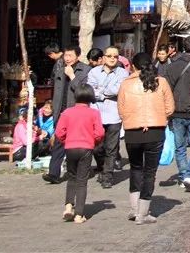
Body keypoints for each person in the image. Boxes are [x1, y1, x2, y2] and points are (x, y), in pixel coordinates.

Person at [117, 53, 174, 224]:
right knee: (150, 172)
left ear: (133, 66)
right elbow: (170, 108)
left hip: (132, 132)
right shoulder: (161, 82)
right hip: (155, 131)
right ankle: (143, 213)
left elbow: (121, 109)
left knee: (135, 168)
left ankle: (134, 209)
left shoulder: (126, 84)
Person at [55, 84, 104, 224]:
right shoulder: (94, 113)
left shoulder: (67, 112)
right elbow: (100, 133)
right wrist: (94, 141)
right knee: (82, 181)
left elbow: (59, 132)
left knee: (71, 177)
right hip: (86, 148)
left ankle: (68, 206)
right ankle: (79, 214)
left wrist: (66, 141)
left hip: (70, 148)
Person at [161, 34, 190, 193]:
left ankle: (183, 175)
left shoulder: (172, 66)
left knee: (179, 147)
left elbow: (165, 90)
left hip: (176, 111)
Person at [44, 46, 90, 184]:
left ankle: (76, 171)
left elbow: (83, 92)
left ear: (78, 56)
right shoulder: (60, 69)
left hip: (76, 113)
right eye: (65, 55)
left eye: (70, 55)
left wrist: (72, 76)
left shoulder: (85, 70)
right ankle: (53, 173)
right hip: (61, 112)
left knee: (76, 144)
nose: (67, 58)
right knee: (59, 141)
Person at [86, 46, 129, 188]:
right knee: (97, 147)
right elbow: (90, 90)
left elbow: (118, 89)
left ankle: (107, 176)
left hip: (114, 115)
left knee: (111, 148)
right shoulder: (93, 72)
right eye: (109, 56)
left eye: (115, 56)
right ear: (103, 57)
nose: (112, 59)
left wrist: (100, 92)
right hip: (96, 114)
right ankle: (102, 168)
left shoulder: (123, 73)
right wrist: (104, 94)